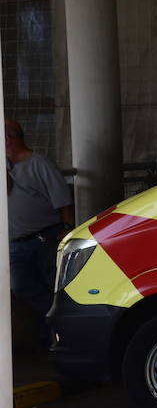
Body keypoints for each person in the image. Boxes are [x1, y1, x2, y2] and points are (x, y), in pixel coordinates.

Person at [6, 119, 75, 350]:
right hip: (16, 242)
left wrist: (67, 227)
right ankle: (54, 325)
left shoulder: (39, 163)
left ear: (7, 139)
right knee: (21, 287)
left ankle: (62, 334)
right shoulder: (5, 167)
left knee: (53, 285)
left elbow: (63, 199)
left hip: (46, 237)